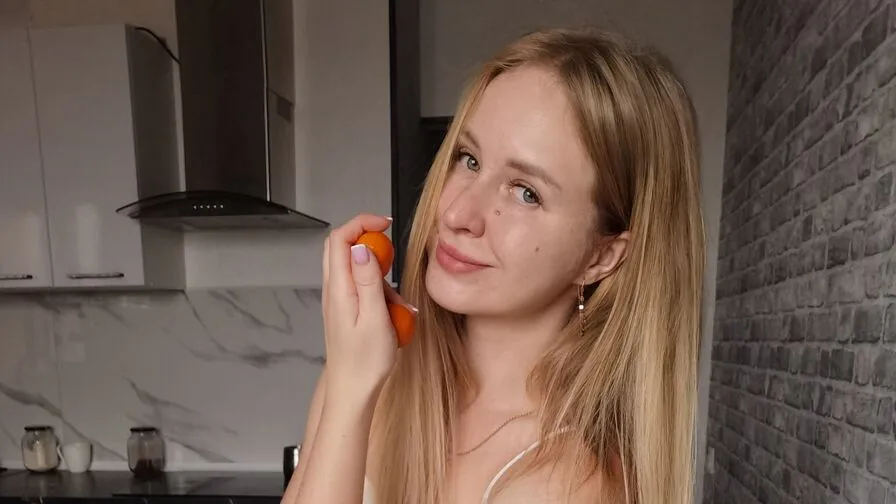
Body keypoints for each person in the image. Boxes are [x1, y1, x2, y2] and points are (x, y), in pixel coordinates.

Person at [282, 27, 705, 504]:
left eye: (526, 193)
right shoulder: (367, 375)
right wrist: (347, 385)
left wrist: (350, 388)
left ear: (600, 257)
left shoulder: (569, 483)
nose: (457, 214)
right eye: (469, 159)